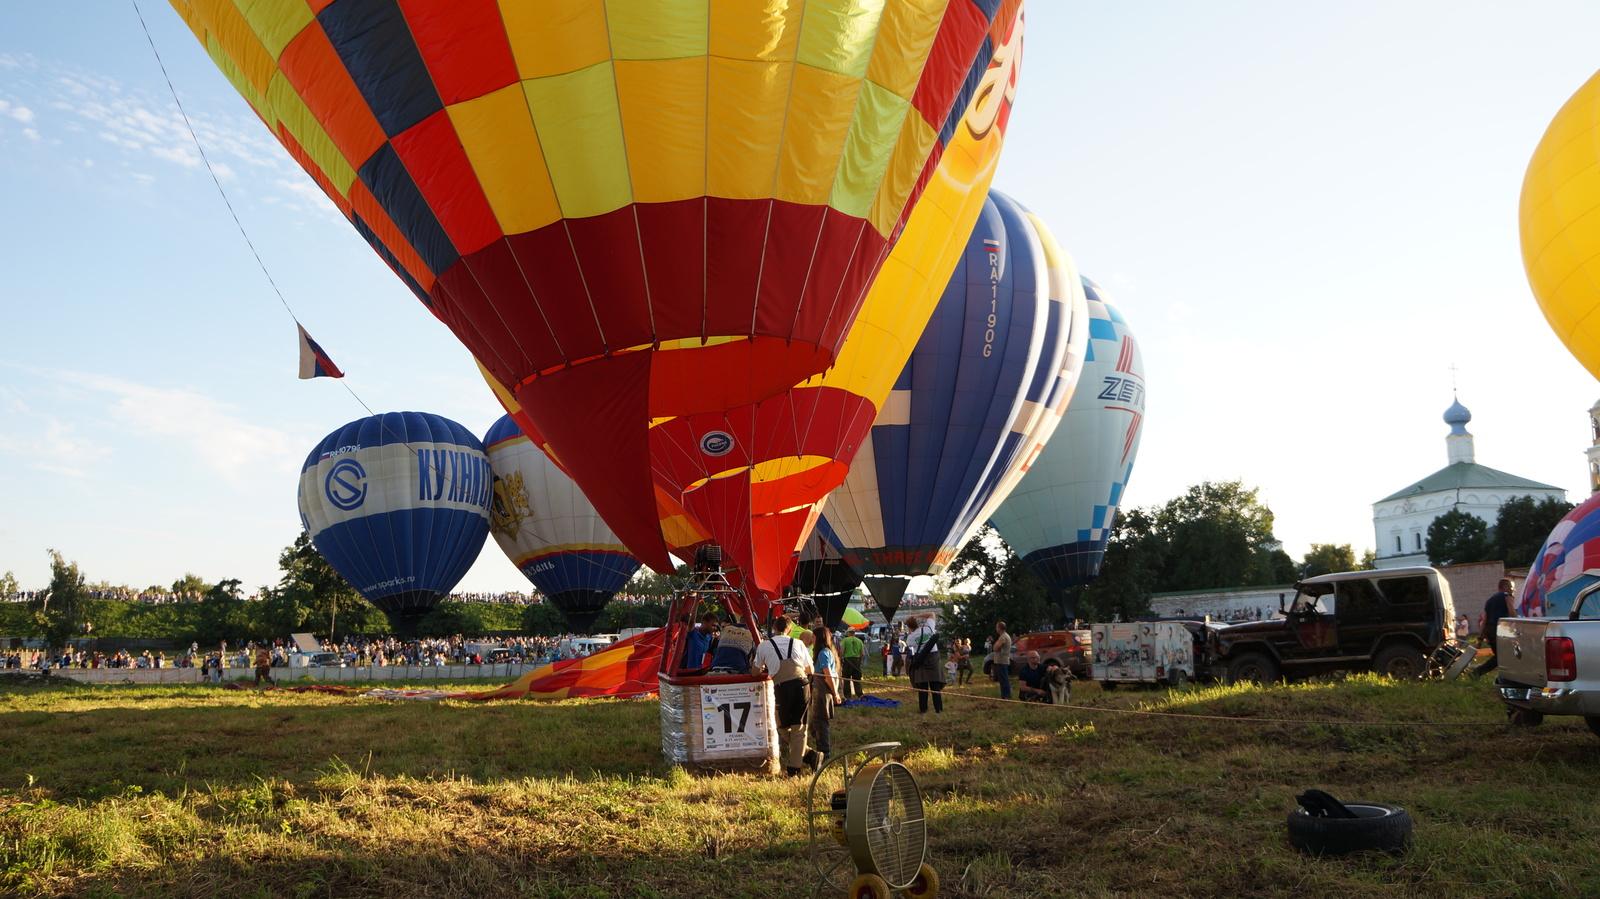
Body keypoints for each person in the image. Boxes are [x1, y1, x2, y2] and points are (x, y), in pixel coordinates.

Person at [753, 616, 814, 776]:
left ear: (773, 628)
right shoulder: (799, 643)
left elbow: (754, 672)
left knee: (782, 727)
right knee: (798, 727)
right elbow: (810, 670)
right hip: (802, 685)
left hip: (781, 688)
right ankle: (809, 755)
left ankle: (794, 768)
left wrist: (767, 666)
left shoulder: (764, 646)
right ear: (790, 630)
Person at [809, 627, 844, 761]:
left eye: (813, 637)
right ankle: (820, 749)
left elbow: (828, 676)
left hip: (822, 690)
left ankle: (825, 754)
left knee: (820, 722)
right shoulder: (827, 651)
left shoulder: (823, 653)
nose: (811, 639)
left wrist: (836, 694)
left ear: (818, 638)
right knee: (814, 724)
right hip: (821, 689)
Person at [1475, 578, 1516, 677]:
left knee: (1501, 657)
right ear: (1505, 587)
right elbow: (1512, 613)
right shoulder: (1506, 596)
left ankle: (1505, 676)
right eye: (1511, 587)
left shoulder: (1489, 600)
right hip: (1500, 629)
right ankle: (1477, 673)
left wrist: (1480, 638)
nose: (1512, 589)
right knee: (1504, 656)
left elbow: (1484, 621)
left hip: (1489, 631)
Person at [905, 614, 945, 713]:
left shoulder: (911, 638)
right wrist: (917, 616)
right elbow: (932, 614)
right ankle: (938, 709)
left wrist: (911, 632)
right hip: (934, 658)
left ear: (909, 627)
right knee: (935, 687)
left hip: (921, 660)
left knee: (922, 688)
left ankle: (923, 710)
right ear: (917, 622)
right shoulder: (928, 628)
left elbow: (910, 646)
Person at [839, 628, 865, 698]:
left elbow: (841, 650)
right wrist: (859, 661)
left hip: (847, 660)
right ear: (854, 633)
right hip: (856, 660)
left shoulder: (845, 640)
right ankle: (859, 694)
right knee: (857, 678)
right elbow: (862, 654)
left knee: (846, 678)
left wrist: (841, 658)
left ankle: (847, 695)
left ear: (848, 633)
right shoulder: (859, 641)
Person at [992, 621, 1013, 700]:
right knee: (1003, 678)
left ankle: (1006, 696)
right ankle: (1005, 695)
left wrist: (996, 645)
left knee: (1003, 679)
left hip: (1002, 661)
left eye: (997, 627)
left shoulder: (1003, 637)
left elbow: (995, 648)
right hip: (1003, 660)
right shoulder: (1006, 636)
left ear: (1000, 628)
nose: (996, 629)